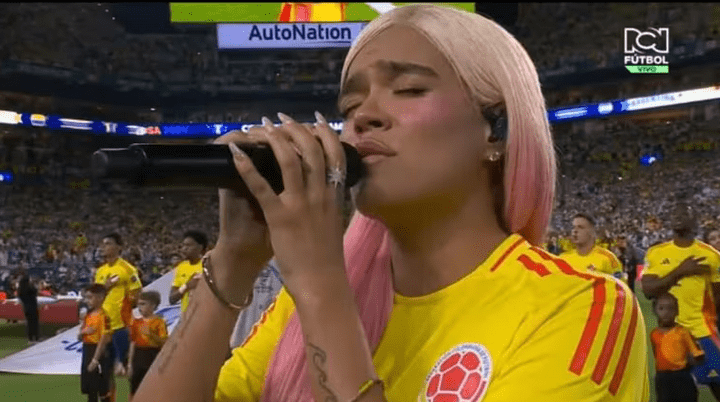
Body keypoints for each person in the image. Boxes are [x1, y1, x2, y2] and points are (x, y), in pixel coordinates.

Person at [134, 4, 648, 401]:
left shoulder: (577, 307)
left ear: (499, 130)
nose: (363, 117)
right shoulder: (306, 303)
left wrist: (318, 281)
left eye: (407, 89)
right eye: (350, 104)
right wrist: (234, 260)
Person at [642, 203, 720, 400]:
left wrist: (710, 320)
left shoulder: (711, 256)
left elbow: (718, 297)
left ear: (695, 220)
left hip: (701, 334)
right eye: (674, 212)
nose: (678, 215)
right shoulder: (656, 253)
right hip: (669, 338)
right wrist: (680, 272)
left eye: (685, 212)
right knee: (673, 395)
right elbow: (648, 290)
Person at [94, 233, 142, 378]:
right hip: (103, 323)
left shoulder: (127, 269)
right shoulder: (100, 271)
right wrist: (106, 287)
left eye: (108, 243)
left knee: (122, 369)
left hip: (120, 323)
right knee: (104, 371)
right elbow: (96, 296)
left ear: (119, 247)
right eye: (103, 243)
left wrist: (127, 306)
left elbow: (137, 292)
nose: (103, 247)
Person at [650, 292, 704, 402]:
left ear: (677, 311)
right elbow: (656, 353)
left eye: (670, 309)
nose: (666, 313)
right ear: (655, 310)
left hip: (681, 376)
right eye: (661, 308)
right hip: (662, 377)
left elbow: (696, 354)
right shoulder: (654, 334)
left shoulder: (682, 332)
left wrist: (691, 363)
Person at [127, 290, 167, 401]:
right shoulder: (136, 322)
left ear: (153, 305)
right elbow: (132, 342)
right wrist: (130, 363)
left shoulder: (159, 322)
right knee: (134, 387)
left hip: (152, 355)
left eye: (143, 304)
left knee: (152, 386)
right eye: (139, 304)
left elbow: (164, 342)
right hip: (138, 356)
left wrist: (151, 335)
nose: (140, 307)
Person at [561, 213, 625, 282]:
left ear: (592, 232)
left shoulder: (608, 258)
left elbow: (620, 287)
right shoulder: (563, 259)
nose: (575, 231)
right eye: (573, 227)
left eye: (580, 227)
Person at [79, 284, 113, 402]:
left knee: (102, 386)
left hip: (98, 351)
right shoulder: (87, 316)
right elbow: (79, 336)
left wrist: (95, 359)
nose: (88, 301)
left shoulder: (104, 316)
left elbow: (104, 338)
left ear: (100, 298)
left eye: (90, 297)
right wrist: (84, 331)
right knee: (89, 386)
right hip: (87, 349)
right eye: (87, 298)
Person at [169, 231, 208, 320]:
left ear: (200, 247)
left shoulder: (208, 264)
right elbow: (172, 299)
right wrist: (187, 286)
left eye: (189, 245)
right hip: (186, 317)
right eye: (183, 245)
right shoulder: (181, 267)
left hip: (205, 316)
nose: (184, 249)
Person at [16, 265, 39, 344]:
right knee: (34, 322)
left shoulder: (21, 290)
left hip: (26, 307)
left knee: (29, 323)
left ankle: (30, 338)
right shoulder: (31, 289)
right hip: (32, 306)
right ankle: (35, 338)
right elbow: (35, 293)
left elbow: (20, 296)